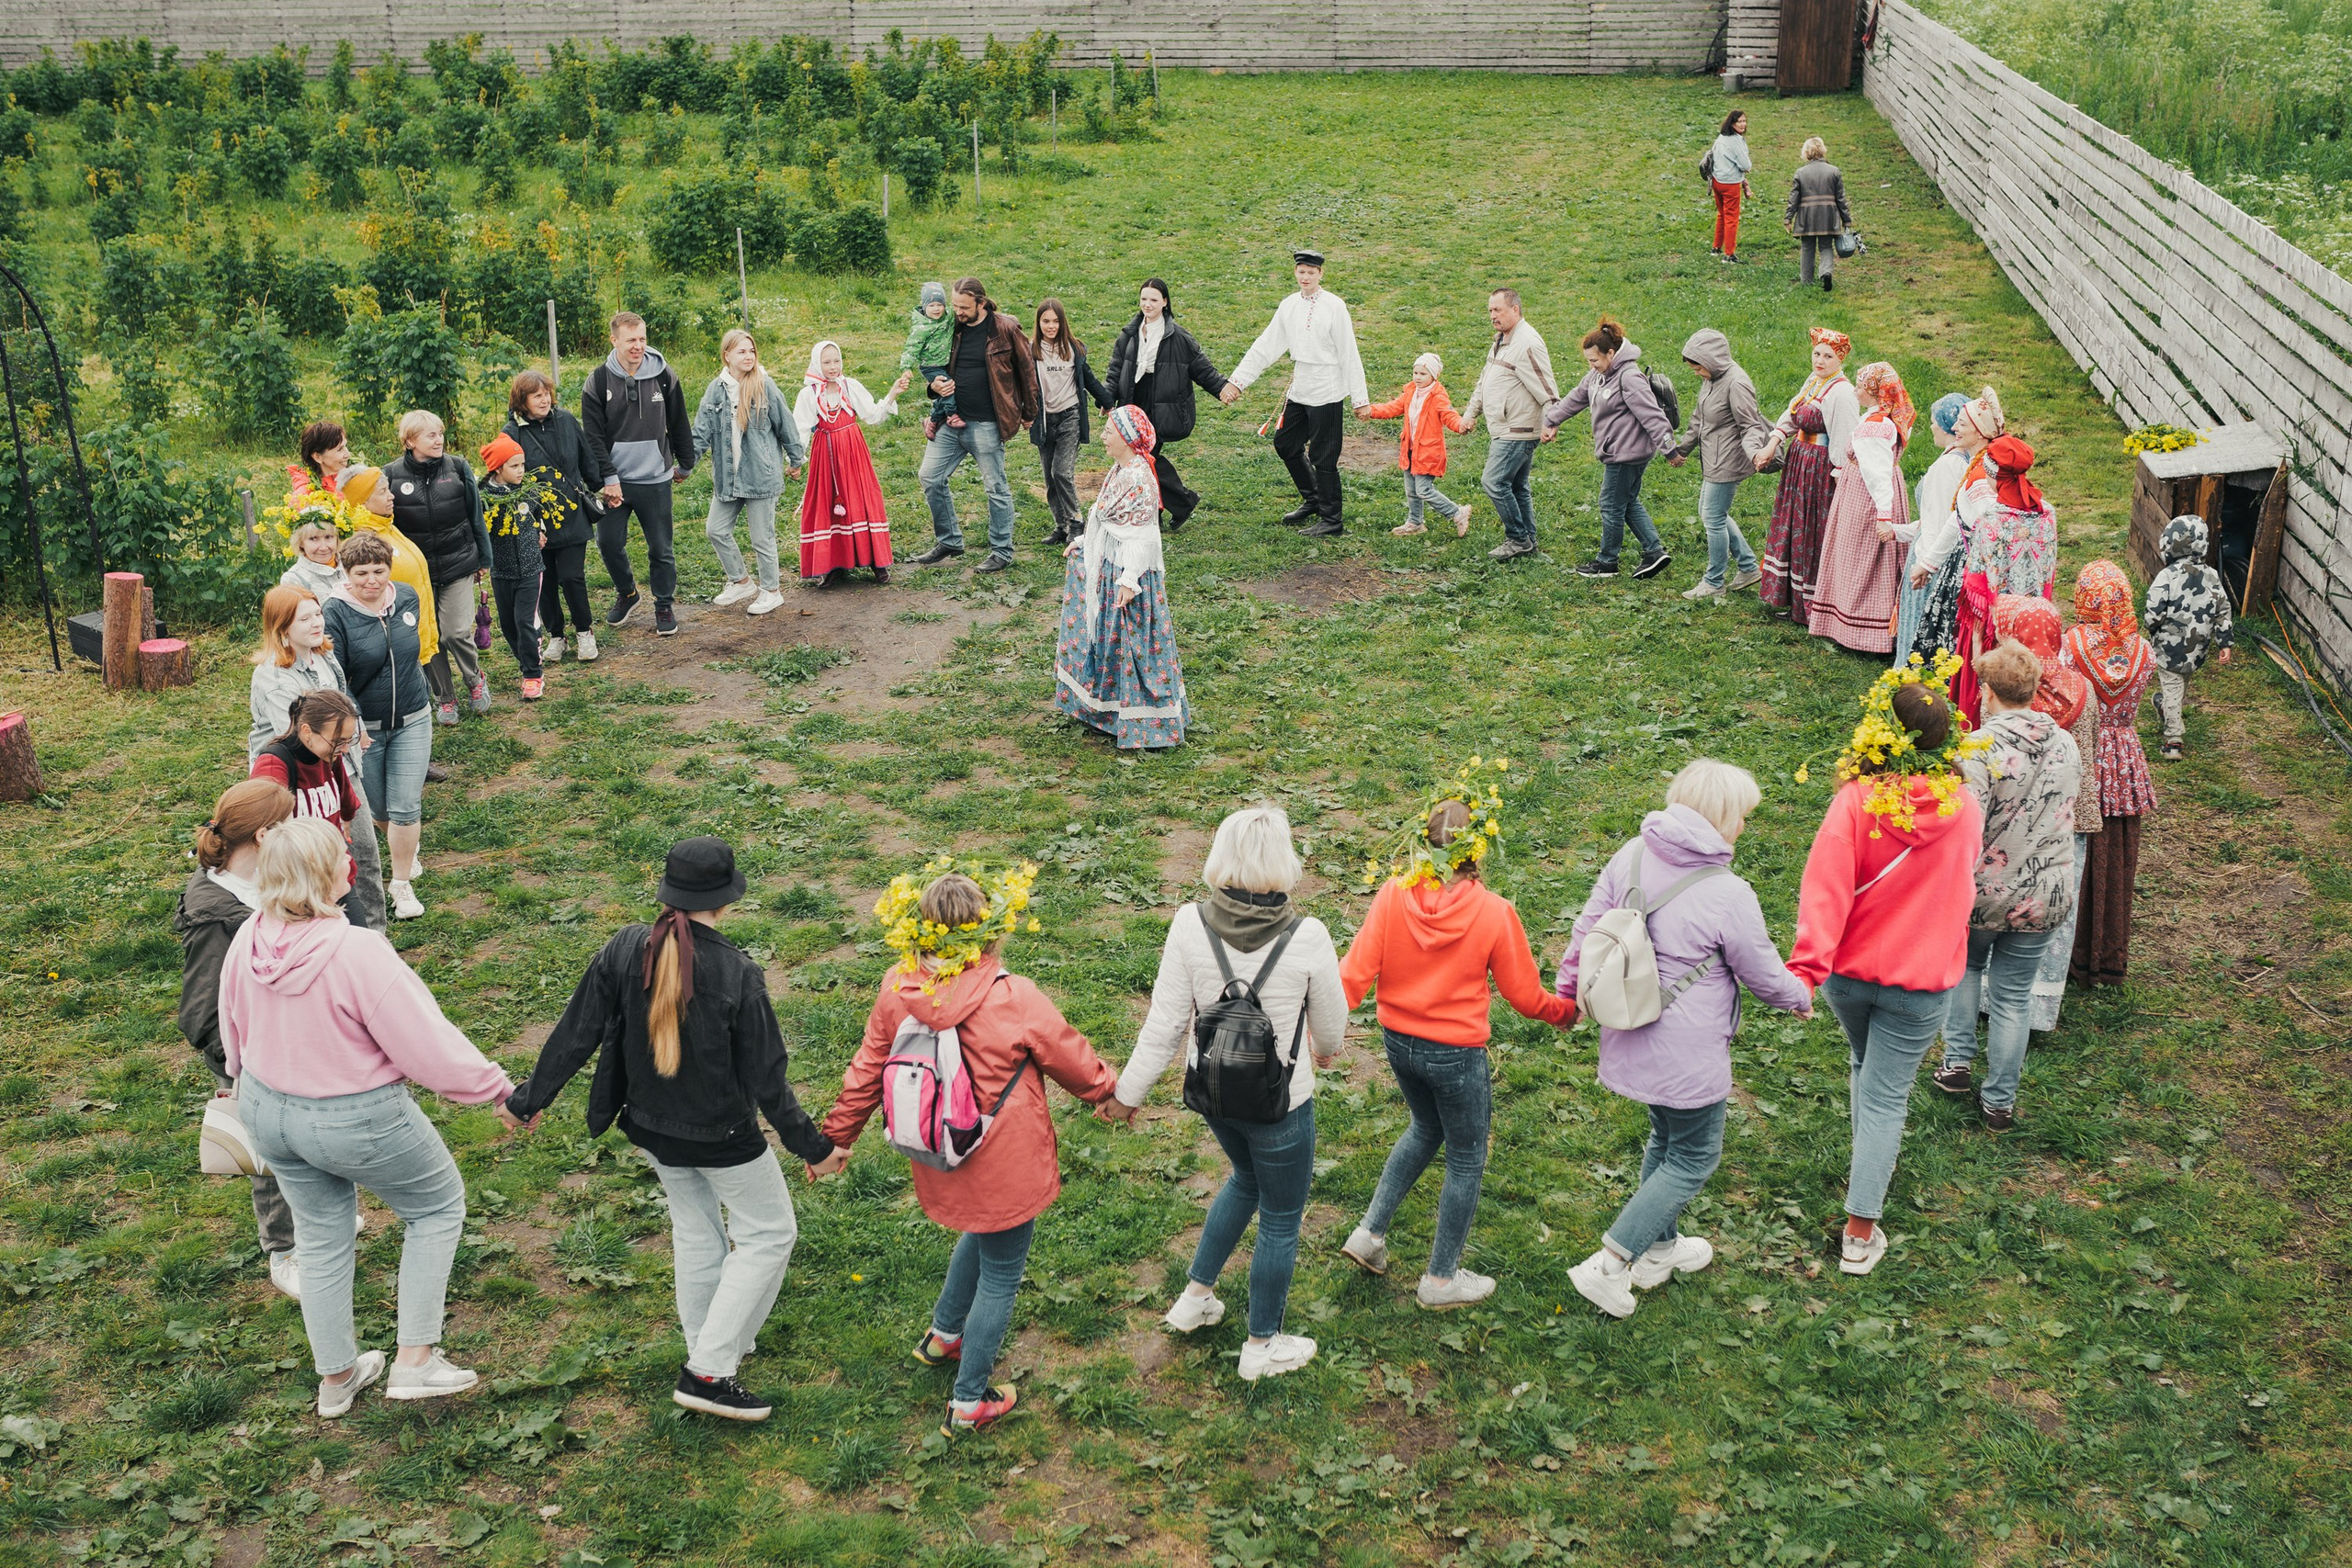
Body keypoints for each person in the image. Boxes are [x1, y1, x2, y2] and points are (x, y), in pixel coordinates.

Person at [504, 838, 838, 1423]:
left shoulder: (626, 946)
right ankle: (709, 1372)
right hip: (722, 1138)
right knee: (768, 1234)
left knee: (697, 1231)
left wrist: (528, 1101)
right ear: (726, 898)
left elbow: (575, 1030)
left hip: (650, 1128)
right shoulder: (738, 974)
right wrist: (814, 1147)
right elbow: (769, 1080)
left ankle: (714, 1342)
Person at [218, 817, 521, 1418]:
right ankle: (415, 1360)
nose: (349, 866)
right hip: (352, 1117)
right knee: (436, 1206)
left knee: (323, 1235)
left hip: (267, 1107)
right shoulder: (355, 950)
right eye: (339, 859)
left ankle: (337, 1378)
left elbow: (232, 1025)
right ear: (319, 873)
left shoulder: (251, 935)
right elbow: (423, 1041)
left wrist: (242, 1077)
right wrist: (495, 1088)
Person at [818, 869, 1125, 1437]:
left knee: (979, 1235)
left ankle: (944, 1335)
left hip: (939, 1152)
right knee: (1003, 1273)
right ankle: (969, 1402)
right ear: (988, 933)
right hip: (1004, 1161)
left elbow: (866, 1069)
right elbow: (1069, 1056)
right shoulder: (1013, 996)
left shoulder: (896, 990)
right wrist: (1109, 1094)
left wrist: (837, 1138)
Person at [1555, 761, 1813, 1317]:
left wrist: (1569, 990)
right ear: (1721, 818)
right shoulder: (1728, 893)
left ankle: (1661, 1250)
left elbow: (1589, 925)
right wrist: (1799, 996)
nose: (1744, 826)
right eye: (1742, 816)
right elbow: (1762, 971)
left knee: (1665, 1137)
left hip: (1630, 1024)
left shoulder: (1631, 854)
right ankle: (1610, 1263)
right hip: (1687, 1049)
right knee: (1695, 1156)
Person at [1102, 806, 1346, 1381]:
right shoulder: (1308, 936)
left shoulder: (1189, 924)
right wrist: (1326, 1051)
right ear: (1284, 861)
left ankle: (1195, 1298)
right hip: (1281, 1102)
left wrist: (1127, 1094)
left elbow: (1163, 1025)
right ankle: (1262, 1346)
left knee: (1244, 1179)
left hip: (1213, 1094)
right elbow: (1331, 1027)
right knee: (1282, 1218)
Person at [1339, 791, 1576, 1308]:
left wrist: (1323, 1033)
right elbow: (1524, 995)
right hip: (1454, 1054)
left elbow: (1354, 973)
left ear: (1423, 843)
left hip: (1399, 1043)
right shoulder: (1494, 913)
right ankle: (1441, 1279)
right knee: (1467, 1157)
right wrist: (1565, 1012)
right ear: (1479, 851)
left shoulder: (1392, 895)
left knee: (1425, 1128)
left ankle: (1369, 1234)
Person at [1788, 669, 1984, 1277]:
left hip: (1848, 976)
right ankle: (1859, 1230)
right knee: (1885, 1093)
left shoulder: (1854, 804)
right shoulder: (1965, 809)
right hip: (1919, 986)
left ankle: (1862, 1169)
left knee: (1864, 1070)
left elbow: (1823, 891)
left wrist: (1806, 969)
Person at [1931, 639, 2082, 1134]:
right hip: (2046, 891)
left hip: (1985, 891)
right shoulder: (2066, 744)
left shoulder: (1977, 747)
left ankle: (1956, 1064)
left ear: (1990, 693)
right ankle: (2000, 1103)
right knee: (2014, 996)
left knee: (1969, 966)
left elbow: (1963, 820)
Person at [176, 779, 301, 1298]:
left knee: (307, 1142)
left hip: (288, 1041)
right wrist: (246, 1066)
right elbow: (200, 1015)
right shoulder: (215, 916)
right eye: (289, 822)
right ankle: (285, 1251)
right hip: (251, 1055)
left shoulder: (263, 882)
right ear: (265, 833)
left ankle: (316, 1217)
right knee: (272, 1154)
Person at [1984, 593, 2099, 1032]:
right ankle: (2039, 1005)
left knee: (2001, 897)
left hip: (2010, 814)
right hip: (2069, 811)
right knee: (2049, 904)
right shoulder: (2081, 688)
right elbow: (2087, 747)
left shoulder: (2003, 688)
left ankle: (1986, 1001)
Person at [1052, 406, 1189, 750]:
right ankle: (1108, 713)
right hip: (1114, 565)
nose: (1102, 436)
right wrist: (1085, 541)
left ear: (1127, 440)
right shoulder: (1122, 468)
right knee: (1111, 642)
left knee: (1132, 647)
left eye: (1109, 432)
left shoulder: (1138, 478)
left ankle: (1145, 724)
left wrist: (1129, 582)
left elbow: (1144, 537)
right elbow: (1109, 521)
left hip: (1130, 577)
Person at [248, 591, 386, 931]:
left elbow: (340, 705)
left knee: (362, 858)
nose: (317, 623)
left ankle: (373, 940)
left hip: (339, 768)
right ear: (282, 628)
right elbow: (302, 742)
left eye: (318, 614)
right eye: (305, 619)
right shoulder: (274, 679)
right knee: (309, 870)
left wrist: (357, 732)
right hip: (297, 785)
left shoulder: (321, 655)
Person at [1220, 248, 1371, 538]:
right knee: (1286, 444)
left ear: (1320, 274)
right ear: (1295, 273)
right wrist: (1238, 381)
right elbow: (1266, 345)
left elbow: (1349, 353)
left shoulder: (1335, 307)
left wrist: (1359, 398)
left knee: (1323, 456)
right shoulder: (1288, 305)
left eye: (1311, 273)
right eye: (1301, 272)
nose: (1305, 277)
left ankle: (1332, 520)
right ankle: (1313, 498)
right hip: (1301, 386)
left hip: (1328, 388)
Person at [323, 530, 432, 920]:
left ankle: (401, 885)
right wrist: (352, 721)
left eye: (379, 571)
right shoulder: (333, 612)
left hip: (414, 716)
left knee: (405, 806)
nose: (372, 581)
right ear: (345, 573)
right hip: (363, 728)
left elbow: (412, 652)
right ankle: (406, 844)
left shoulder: (405, 596)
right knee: (377, 807)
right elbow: (336, 674)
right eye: (361, 573)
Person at [2063, 561, 2157, 987]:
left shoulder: (2072, 646)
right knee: (2119, 853)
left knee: (2077, 852)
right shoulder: (2145, 652)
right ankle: (2109, 954)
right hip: (2125, 761)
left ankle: (2075, 951)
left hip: (2086, 755)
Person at [910, 277, 1037, 575]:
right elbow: (930, 358)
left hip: (987, 424)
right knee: (930, 476)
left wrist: (1029, 412)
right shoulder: (951, 327)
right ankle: (950, 540)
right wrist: (933, 384)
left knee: (995, 486)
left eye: (963, 307)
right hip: (950, 421)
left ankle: (1001, 551)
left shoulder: (1004, 328)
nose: (958, 312)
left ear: (981, 302)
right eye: (954, 305)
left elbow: (1027, 370)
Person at [582, 310, 695, 637]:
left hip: (656, 478)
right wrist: (609, 477)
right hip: (616, 482)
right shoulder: (598, 380)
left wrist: (685, 463)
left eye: (642, 339)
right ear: (614, 340)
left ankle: (663, 605)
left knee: (661, 547)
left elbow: (678, 421)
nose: (638, 346)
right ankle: (628, 592)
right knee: (608, 543)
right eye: (631, 340)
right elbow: (593, 437)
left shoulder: (664, 375)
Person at [377, 410, 492, 726]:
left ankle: (474, 679)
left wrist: (484, 559)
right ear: (410, 440)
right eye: (431, 435)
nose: (439, 439)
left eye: (440, 433)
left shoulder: (457, 467)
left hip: (459, 563)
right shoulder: (390, 475)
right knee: (430, 636)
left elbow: (475, 515)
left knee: (455, 631)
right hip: (417, 573)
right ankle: (445, 698)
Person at [1543, 317, 1675, 581]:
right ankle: (1654, 551)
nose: (1591, 366)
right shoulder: (1598, 375)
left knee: (1610, 505)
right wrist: (1551, 419)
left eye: (1594, 360)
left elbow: (1652, 415)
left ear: (1611, 353)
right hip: (1620, 451)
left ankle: (1607, 562)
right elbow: (1576, 397)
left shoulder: (1629, 377)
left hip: (1626, 454)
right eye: (1588, 361)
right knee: (1626, 502)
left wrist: (1669, 449)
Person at [693, 328, 805, 617]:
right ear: (727, 355)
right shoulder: (715, 389)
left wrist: (796, 459)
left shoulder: (765, 386)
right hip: (728, 476)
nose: (748, 356)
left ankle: (771, 591)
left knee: (762, 537)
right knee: (715, 529)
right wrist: (684, 465)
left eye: (751, 351)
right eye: (741, 351)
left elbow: (786, 424)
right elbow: (701, 432)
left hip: (760, 474)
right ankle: (741, 581)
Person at [1105, 279, 1229, 532]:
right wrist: (1107, 398)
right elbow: (1116, 367)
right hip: (1133, 398)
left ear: (1164, 302)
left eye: (1153, 299)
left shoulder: (1178, 336)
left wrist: (1222, 388)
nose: (1147, 304)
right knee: (1143, 458)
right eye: (1143, 299)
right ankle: (1178, 503)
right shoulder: (1130, 333)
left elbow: (1200, 367)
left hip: (1162, 401)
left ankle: (1174, 505)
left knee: (1147, 457)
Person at [1806, 361, 1914, 655]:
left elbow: (1877, 474)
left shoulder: (1873, 427)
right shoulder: (1884, 418)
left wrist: (1883, 516)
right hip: (1868, 488)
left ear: (1876, 393)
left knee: (1860, 556)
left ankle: (1863, 630)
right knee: (1863, 557)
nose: (1855, 391)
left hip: (1865, 497)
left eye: (1861, 387)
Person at [1755, 329, 1857, 625]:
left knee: (1812, 528)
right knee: (1793, 522)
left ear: (1841, 359)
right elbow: (1791, 413)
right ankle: (1790, 597)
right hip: (1799, 463)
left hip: (1820, 469)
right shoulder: (1814, 382)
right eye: (1817, 354)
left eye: (1829, 356)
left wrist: (1838, 479)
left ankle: (1813, 606)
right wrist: (1772, 443)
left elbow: (1843, 440)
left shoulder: (1842, 392)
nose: (1821, 360)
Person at [503, 370, 601, 663]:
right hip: (533, 519)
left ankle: (585, 632)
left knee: (572, 577)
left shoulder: (567, 421)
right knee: (544, 582)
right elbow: (507, 475)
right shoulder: (512, 433)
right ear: (522, 401)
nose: (544, 399)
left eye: (546, 393)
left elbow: (586, 458)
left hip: (570, 512)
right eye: (536, 395)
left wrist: (602, 487)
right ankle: (557, 636)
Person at [1667, 329, 1772, 598]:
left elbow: (1750, 426)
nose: (1696, 373)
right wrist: (1683, 449)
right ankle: (1748, 567)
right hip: (1713, 457)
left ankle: (1714, 582)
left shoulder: (1736, 383)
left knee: (1713, 517)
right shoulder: (1712, 378)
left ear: (1712, 361)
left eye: (1698, 368)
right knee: (1710, 512)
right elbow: (1699, 417)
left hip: (1728, 460)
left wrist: (1754, 455)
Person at [794, 341, 907, 586]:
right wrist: (795, 459)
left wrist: (893, 393)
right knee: (828, 503)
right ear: (816, 363)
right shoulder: (809, 394)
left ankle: (877, 562)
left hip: (853, 452)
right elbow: (800, 429)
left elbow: (873, 416)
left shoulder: (850, 386)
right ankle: (835, 563)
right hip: (825, 455)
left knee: (862, 499)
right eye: (826, 362)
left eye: (836, 361)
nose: (833, 367)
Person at [1909, 389, 2004, 679]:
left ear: (1979, 432)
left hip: (1972, 570)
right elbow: (1957, 517)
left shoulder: (1981, 477)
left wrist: (1930, 562)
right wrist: (1928, 563)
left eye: (1962, 424)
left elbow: (1986, 529)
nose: (1955, 429)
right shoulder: (1978, 464)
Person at [1459, 288, 1558, 561]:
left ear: (1515, 310)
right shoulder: (1503, 339)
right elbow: (1485, 379)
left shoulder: (1527, 342)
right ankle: (1529, 541)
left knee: (1493, 482)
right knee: (1516, 487)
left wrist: (1553, 419)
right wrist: (1470, 414)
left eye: (1498, 310)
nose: (1493, 315)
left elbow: (1547, 386)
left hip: (1519, 429)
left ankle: (1517, 538)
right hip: (1505, 427)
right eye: (1490, 310)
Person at [2143, 513, 2235, 761]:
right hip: (2198, 648)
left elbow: (2154, 610)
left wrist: (2151, 627)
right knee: (2180, 684)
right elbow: (2222, 610)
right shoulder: (2212, 576)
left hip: (2168, 647)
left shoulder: (2167, 576)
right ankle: (2167, 707)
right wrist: (2224, 642)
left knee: (2172, 685)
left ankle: (2173, 741)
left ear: (2170, 544)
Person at [1358, 352, 1474, 537]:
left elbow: (1448, 415)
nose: (1418, 378)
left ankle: (1457, 512)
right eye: (1415, 373)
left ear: (1433, 376)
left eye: (1423, 374)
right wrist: (1372, 411)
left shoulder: (1438, 396)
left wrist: (1460, 425)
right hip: (1410, 449)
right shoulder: (1411, 391)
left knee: (1424, 490)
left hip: (1428, 451)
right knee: (1411, 490)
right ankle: (1415, 522)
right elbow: (1393, 407)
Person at [1892, 392, 1970, 664]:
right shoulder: (1962, 461)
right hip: (1940, 554)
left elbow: (1939, 522)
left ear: (1948, 426)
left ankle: (1910, 683)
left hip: (1932, 556)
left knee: (1919, 623)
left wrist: (1924, 564)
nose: (1932, 427)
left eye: (1935, 421)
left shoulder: (1948, 466)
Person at [1029, 299, 1113, 547]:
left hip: (1070, 416)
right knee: (1049, 477)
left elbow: (1089, 379)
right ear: (1039, 323)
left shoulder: (1073, 348)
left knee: (1061, 471)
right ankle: (1061, 526)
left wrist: (1107, 402)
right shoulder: (1031, 350)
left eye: (1056, 321)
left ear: (1062, 322)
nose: (1051, 326)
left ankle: (1076, 522)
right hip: (1044, 419)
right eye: (1046, 321)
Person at [477, 434, 548, 701]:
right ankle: (528, 657)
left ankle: (532, 674)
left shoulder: (528, 491)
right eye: (515, 466)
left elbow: (539, 514)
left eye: (522, 465)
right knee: (508, 624)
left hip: (530, 568)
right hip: (502, 571)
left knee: (524, 621)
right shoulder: (485, 498)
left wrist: (540, 530)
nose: (521, 471)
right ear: (497, 469)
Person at [1787, 136, 1852, 291]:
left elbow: (1794, 197)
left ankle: (1806, 280)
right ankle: (1826, 272)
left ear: (1806, 152)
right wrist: (1846, 220)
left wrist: (1788, 217)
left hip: (1807, 216)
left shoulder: (1800, 173)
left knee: (1807, 247)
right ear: (1823, 150)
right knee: (1826, 246)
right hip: (1828, 215)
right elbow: (1840, 198)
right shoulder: (1834, 171)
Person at [901, 280, 958, 430]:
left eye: (939, 305)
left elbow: (959, 310)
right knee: (947, 386)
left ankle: (933, 420)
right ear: (925, 307)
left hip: (944, 362)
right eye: (931, 305)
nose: (936, 309)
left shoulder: (947, 317)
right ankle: (952, 415)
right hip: (930, 365)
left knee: (940, 392)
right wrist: (906, 367)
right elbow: (911, 348)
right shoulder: (921, 328)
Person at [1707, 110, 1754, 264]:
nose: (1743, 124)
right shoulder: (1736, 141)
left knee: (1721, 214)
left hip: (1717, 181)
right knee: (1731, 219)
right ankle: (1729, 255)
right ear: (1732, 123)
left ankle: (1716, 248)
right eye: (1739, 121)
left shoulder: (1721, 138)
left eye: (1744, 121)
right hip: (1730, 184)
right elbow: (1746, 165)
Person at [288, 419, 362, 499]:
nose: (348, 454)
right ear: (318, 457)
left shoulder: (359, 477)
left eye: (345, 446)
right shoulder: (306, 497)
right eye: (339, 449)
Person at [280, 521, 345, 599]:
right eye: (314, 539)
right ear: (301, 543)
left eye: (328, 537)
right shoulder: (293, 579)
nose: (323, 548)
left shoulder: (353, 564)